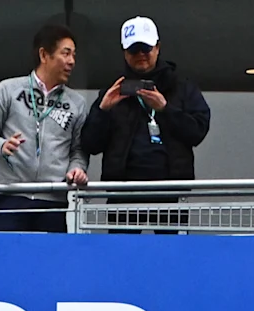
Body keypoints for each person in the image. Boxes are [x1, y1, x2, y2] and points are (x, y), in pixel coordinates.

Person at [76, 16, 211, 225]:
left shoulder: (181, 87)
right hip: (122, 194)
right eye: (133, 50)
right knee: (122, 256)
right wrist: (103, 110)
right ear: (124, 52)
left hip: (170, 193)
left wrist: (165, 109)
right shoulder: (112, 92)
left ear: (157, 47)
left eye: (145, 48)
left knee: (171, 256)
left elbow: (197, 132)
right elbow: (90, 144)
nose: (140, 55)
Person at [0, 20, 89, 231]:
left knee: (51, 263)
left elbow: (79, 150)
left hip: (54, 201)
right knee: (8, 261)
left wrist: (77, 169)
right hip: (14, 197)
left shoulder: (77, 103)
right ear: (44, 55)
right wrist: (1, 146)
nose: (72, 61)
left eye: (74, 55)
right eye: (66, 53)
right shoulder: (9, 89)